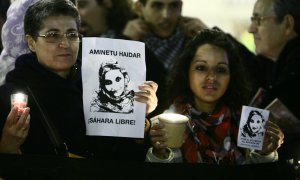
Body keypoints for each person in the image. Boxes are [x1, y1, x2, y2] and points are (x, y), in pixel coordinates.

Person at [0, 0, 158, 162]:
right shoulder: (10, 97)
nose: (65, 44)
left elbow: (123, 158)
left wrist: (137, 116)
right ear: (32, 42)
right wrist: (7, 147)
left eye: (72, 34)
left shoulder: (100, 85)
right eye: (53, 35)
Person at [146, 28, 284, 164]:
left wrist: (266, 153)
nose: (211, 77)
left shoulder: (250, 123)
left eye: (220, 70)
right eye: (201, 68)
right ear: (186, 72)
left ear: (232, 76)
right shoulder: (161, 125)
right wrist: (160, 154)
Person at [123, 0, 207, 117]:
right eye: (157, 6)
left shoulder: (194, 43)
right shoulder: (127, 39)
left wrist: (209, 36)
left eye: (174, 5)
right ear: (139, 8)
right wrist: (125, 42)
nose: (166, 15)